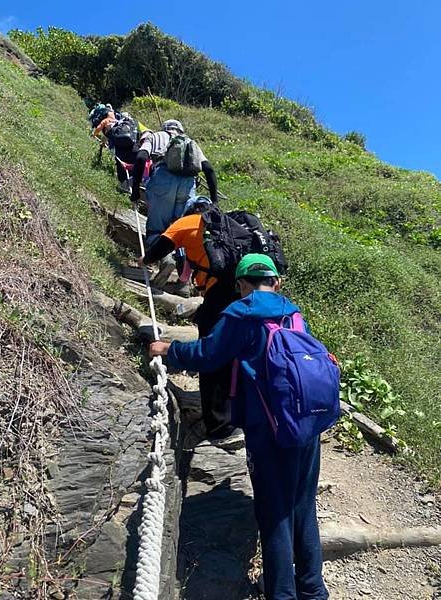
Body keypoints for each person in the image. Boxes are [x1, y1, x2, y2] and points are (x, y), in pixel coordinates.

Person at [149, 254, 329, 600]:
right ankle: (313, 590)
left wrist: (168, 349)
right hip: (307, 422)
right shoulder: (292, 312)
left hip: (270, 428)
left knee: (274, 512)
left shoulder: (241, 313)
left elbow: (208, 354)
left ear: (242, 285)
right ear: (276, 282)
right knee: (303, 506)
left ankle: (282, 595)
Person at [139, 196, 239, 438]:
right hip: (242, 289)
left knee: (212, 355)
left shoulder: (186, 223)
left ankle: (219, 426)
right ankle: (237, 412)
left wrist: (144, 260)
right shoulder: (227, 226)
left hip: (218, 294)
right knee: (234, 351)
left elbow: (159, 249)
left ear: (191, 210)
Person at [130, 119, 218, 245]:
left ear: (164, 128)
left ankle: (165, 259)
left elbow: (141, 157)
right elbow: (208, 169)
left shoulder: (155, 136)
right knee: (181, 229)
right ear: (181, 130)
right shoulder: (189, 142)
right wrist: (214, 201)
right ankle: (180, 260)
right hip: (187, 185)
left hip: (163, 181)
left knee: (156, 230)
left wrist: (135, 190)